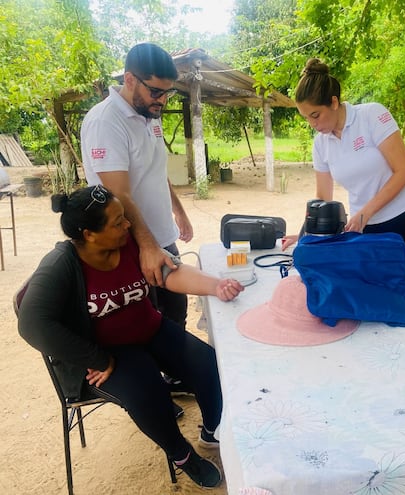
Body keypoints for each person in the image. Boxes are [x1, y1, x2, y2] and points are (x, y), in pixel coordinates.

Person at [17, 185, 244, 489]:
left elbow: (168, 272)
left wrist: (215, 285)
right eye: (117, 222)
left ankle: (212, 431)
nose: (128, 225)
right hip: (110, 353)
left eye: (125, 218)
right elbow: (33, 324)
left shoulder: (130, 243)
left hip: (150, 329)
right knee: (149, 395)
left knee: (208, 365)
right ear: (89, 234)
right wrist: (95, 358)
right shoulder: (62, 266)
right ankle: (182, 455)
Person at [80, 42, 191, 393]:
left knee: (176, 309)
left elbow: (156, 170)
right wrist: (145, 246)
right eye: (156, 91)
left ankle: (175, 376)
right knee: (146, 323)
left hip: (160, 235)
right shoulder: (105, 122)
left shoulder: (148, 116)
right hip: (132, 244)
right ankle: (154, 391)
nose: (162, 101)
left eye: (167, 93)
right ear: (130, 79)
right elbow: (119, 195)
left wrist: (179, 211)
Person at [284, 58, 405, 283]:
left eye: (316, 115)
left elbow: (404, 171)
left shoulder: (371, 115)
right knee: (370, 296)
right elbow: (323, 199)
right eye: (306, 118)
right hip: (365, 227)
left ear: (333, 102)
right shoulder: (321, 144)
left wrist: (366, 212)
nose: (312, 124)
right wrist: (307, 235)